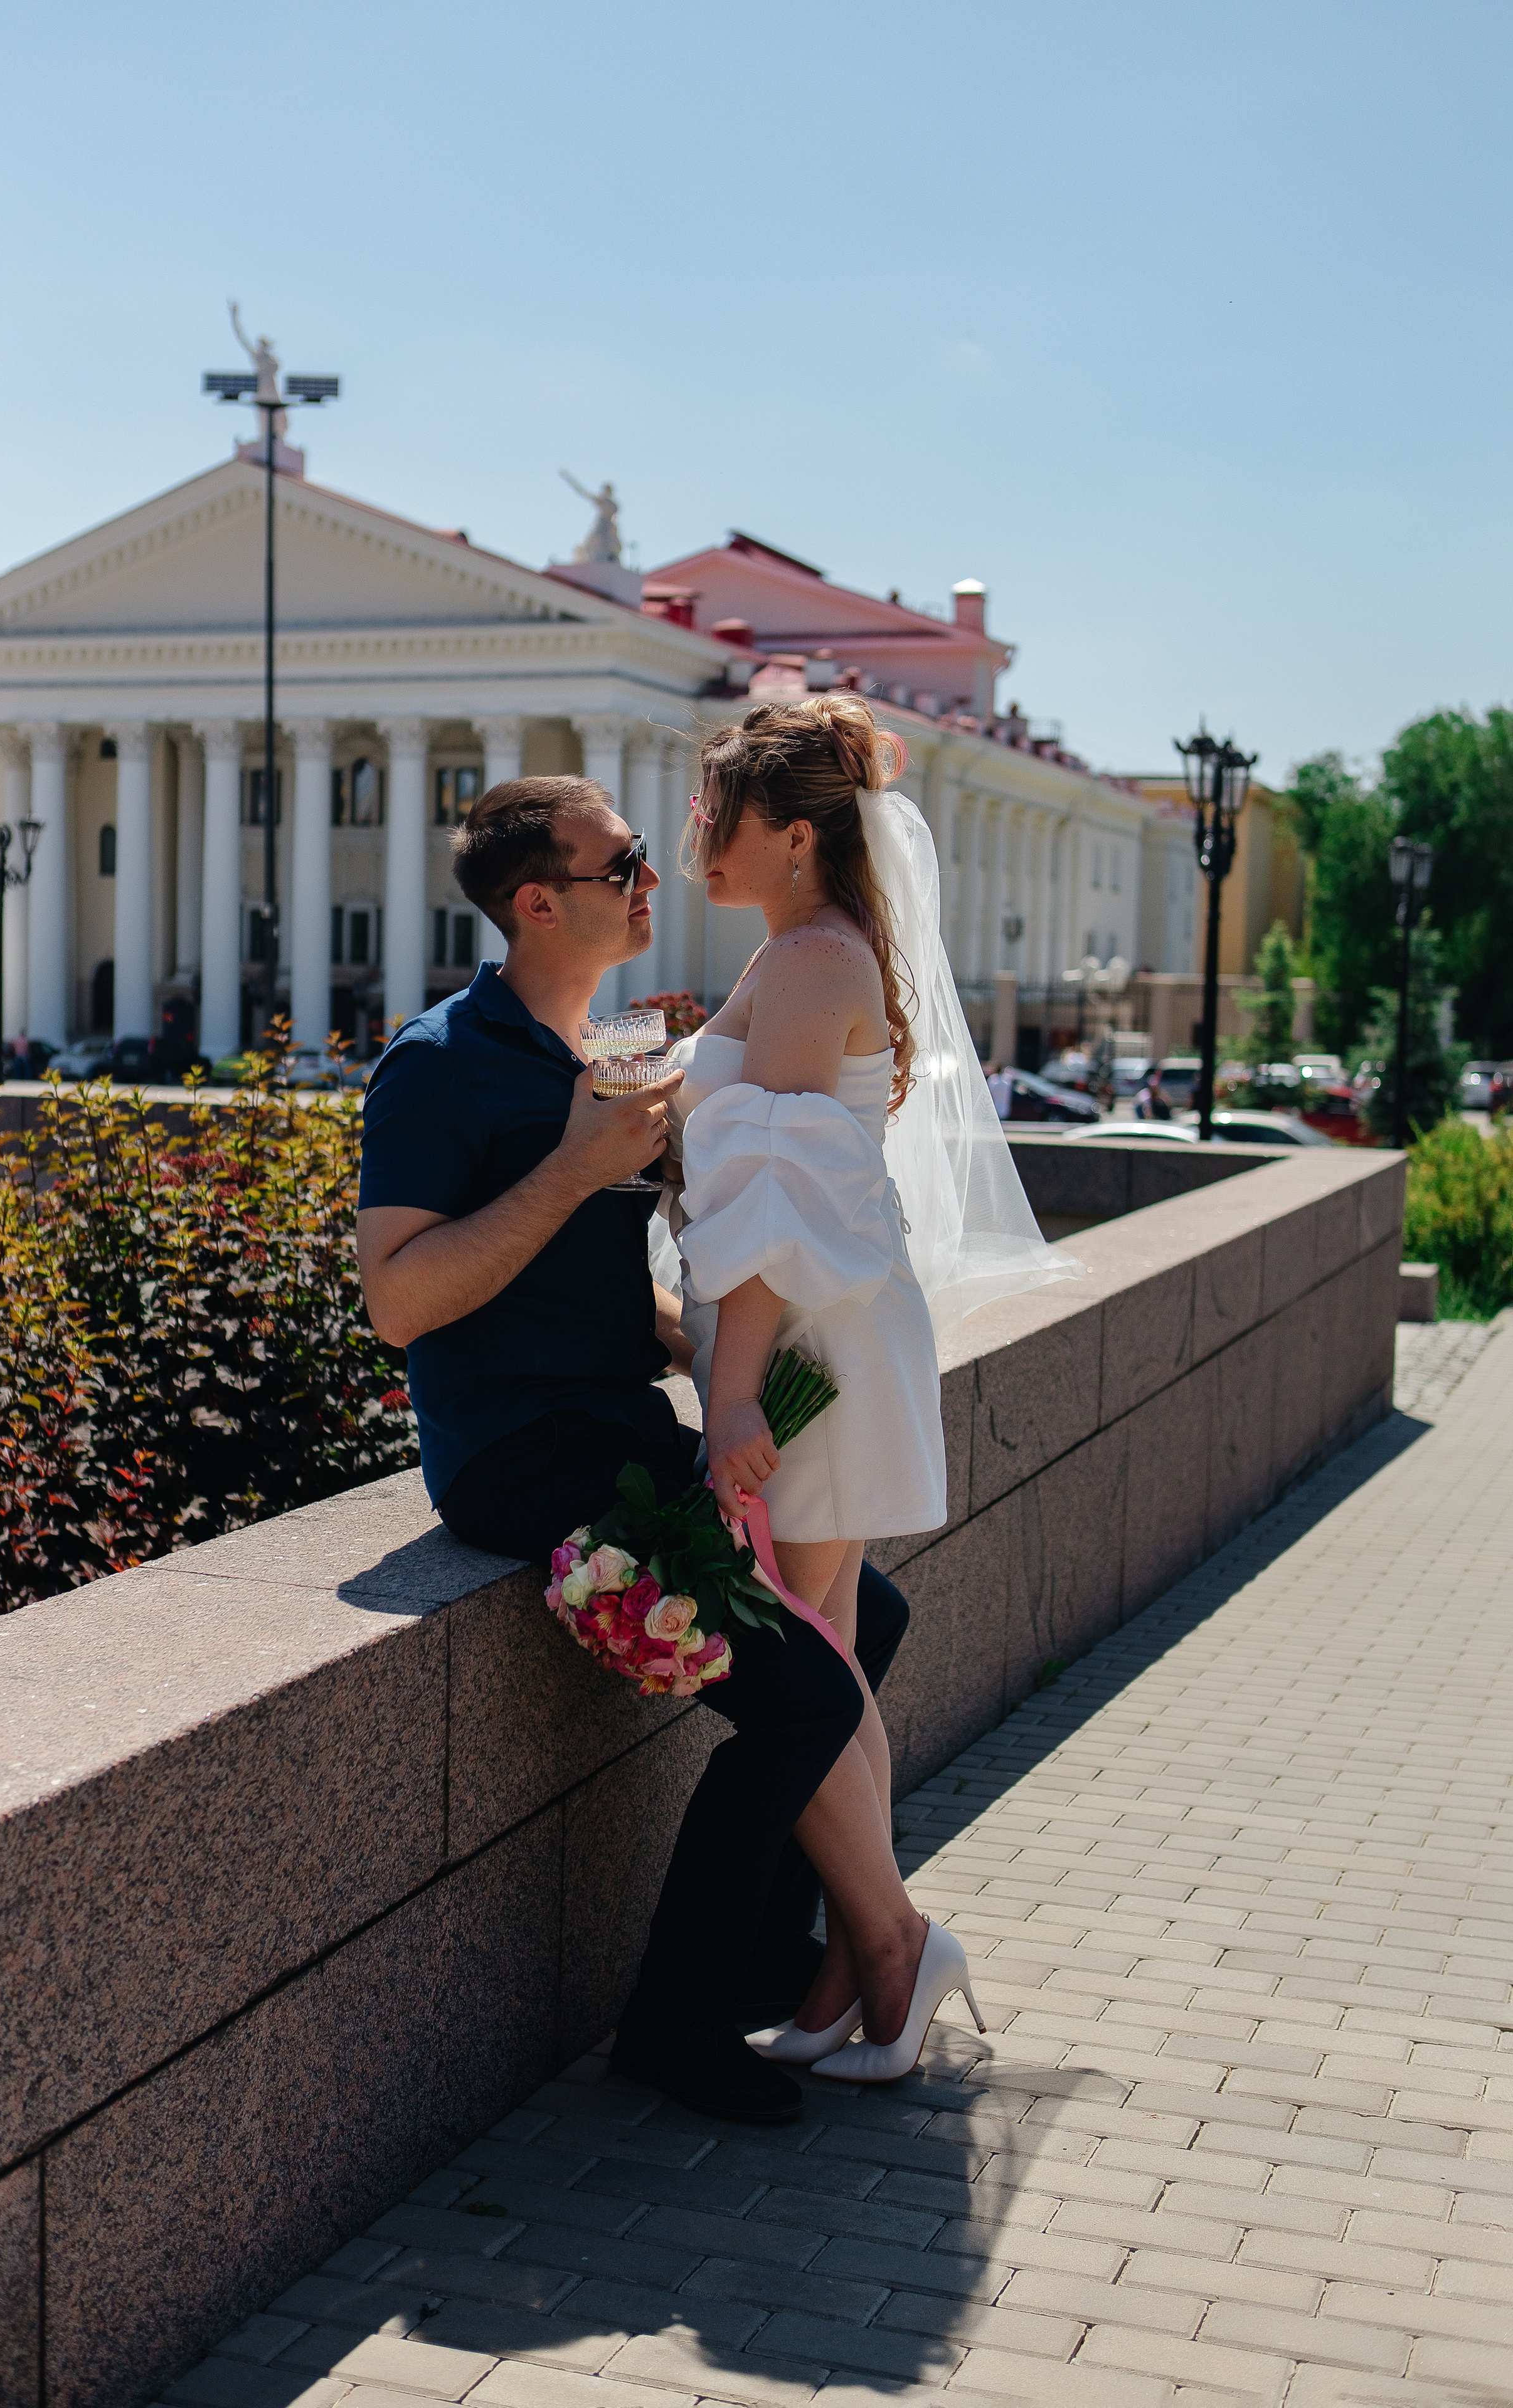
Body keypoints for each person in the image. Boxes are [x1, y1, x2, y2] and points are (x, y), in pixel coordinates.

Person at [356, 774, 913, 2126]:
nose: (654, 881)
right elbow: (398, 1302)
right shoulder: (436, 1064)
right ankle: (677, 2017)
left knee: (867, 1623)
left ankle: (770, 1953)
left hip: (614, 1428)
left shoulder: (600, 1054)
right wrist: (571, 1166)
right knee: (801, 1694)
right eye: (624, 868)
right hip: (520, 1454)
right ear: (538, 904)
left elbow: (593, 1288)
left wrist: (711, 1353)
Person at [667, 698, 1067, 2083]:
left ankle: (888, 1946)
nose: (690, 839)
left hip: (805, 1358)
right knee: (818, 1649)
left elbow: (771, 1209)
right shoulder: (810, 953)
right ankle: (866, 1958)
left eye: (712, 814)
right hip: (820, 1338)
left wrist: (730, 1404)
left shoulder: (808, 963)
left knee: (804, 1655)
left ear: (788, 834)